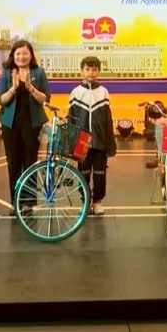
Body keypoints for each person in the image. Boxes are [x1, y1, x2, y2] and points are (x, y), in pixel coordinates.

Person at [0, 41, 51, 215]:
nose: (21, 57)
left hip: (32, 124)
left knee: (30, 162)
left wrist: (31, 88)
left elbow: (45, 99)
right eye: (18, 53)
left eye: (25, 53)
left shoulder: (39, 72)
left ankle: (28, 202)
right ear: (13, 55)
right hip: (10, 125)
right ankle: (15, 202)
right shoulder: (7, 72)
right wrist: (13, 88)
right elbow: (1, 100)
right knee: (14, 163)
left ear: (31, 55)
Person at [68, 56, 116, 216]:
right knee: (83, 173)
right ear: (81, 71)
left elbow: (108, 120)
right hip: (82, 142)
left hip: (100, 141)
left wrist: (109, 143)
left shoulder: (104, 92)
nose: (91, 72)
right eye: (87, 69)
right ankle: (86, 201)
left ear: (99, 71)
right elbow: (71, 119)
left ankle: (97, 201)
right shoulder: (75, 93)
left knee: (100, 173)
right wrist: (71, 143)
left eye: (94, 69)